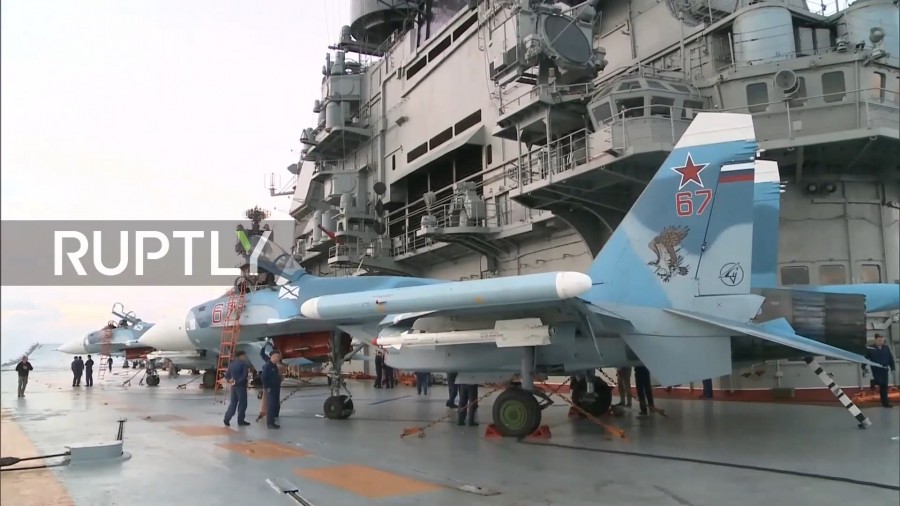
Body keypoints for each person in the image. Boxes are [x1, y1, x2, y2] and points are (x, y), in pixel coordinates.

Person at [862, 333, 896, 408]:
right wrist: (863, 367)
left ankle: (885, 403)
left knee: (884, 386)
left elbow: (890, 358)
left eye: (882, 340)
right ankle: (873, 382)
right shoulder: (871, 348)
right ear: (876, 340)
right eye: (879, 340)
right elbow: (865, 358)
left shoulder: (886, 348)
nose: (880, 341)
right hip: (876, 368)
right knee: (880, 382)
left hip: (884, 369)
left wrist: (892, 368)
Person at [223, 350, 251, 427]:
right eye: (244, 356)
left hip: (233, 387)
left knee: (233, 403)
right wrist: (238, 381)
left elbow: (227, 376)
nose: (245, 357)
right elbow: (244, 375)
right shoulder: (243, 364)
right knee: (242, 404)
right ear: (241, 356)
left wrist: (231, 381)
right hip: (241, 387)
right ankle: (240, 420)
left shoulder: (231, 364)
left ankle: (227, 418)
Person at [261, 349, 283, 429]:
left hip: (276, 388)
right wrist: (267, 387)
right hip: (271, 389)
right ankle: (270, 423)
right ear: (272, 357)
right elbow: (263, 378)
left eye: (279, 357)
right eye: (277, 357)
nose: (278, 358)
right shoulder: (268, 366)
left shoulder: (274, 366)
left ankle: (272, 420)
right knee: (271, 405)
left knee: (274, 405)